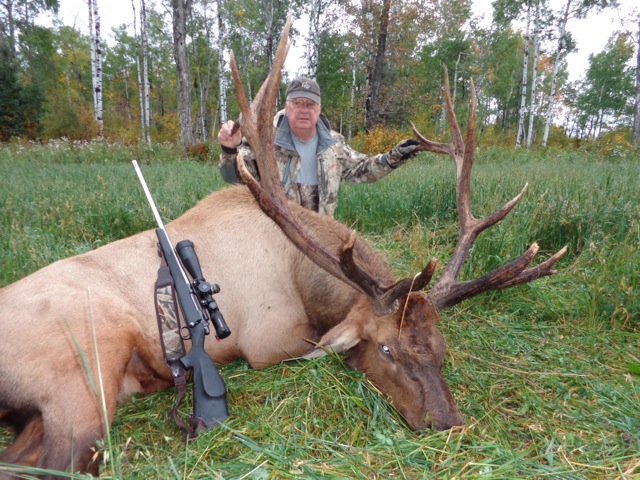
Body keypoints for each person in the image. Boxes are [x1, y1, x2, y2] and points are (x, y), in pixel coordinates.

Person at [217, 77, 420, 217]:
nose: (304, 110)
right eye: (298, 103)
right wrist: (229, 150)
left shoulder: (334, 143)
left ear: (319, 109)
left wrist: (394, 156)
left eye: (310, 104)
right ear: (287, 106)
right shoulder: (264, 141)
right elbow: (234, 178)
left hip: (320, 238)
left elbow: (363, 170)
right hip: (275, 236)